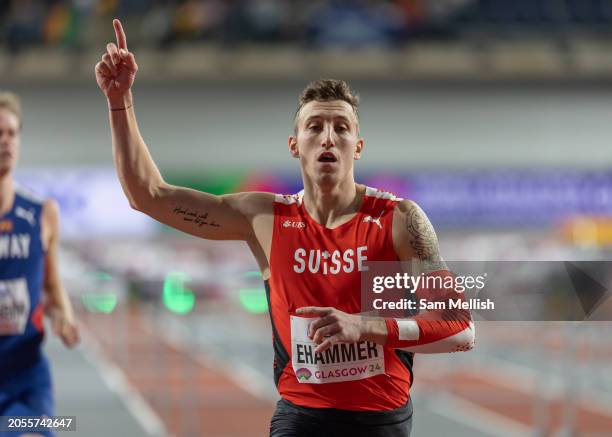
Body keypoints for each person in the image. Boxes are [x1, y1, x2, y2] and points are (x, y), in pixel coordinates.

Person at [95, 19, 475, 437]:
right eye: (315, 127)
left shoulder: (398, 219)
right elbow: (147, 195)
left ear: (358, 146)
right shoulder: (265, 218)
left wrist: (366, 327)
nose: (328, 138)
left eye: (341, 128)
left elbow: (461, 330)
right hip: (301, 416)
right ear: (294, 145)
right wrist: (120, 102)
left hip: (380, 419)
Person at [0, 92, 80, 437]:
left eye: (12, 134)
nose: (6, 142)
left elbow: (51, 285)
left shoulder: (41, 214)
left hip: (26, 372)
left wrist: (64, 316)